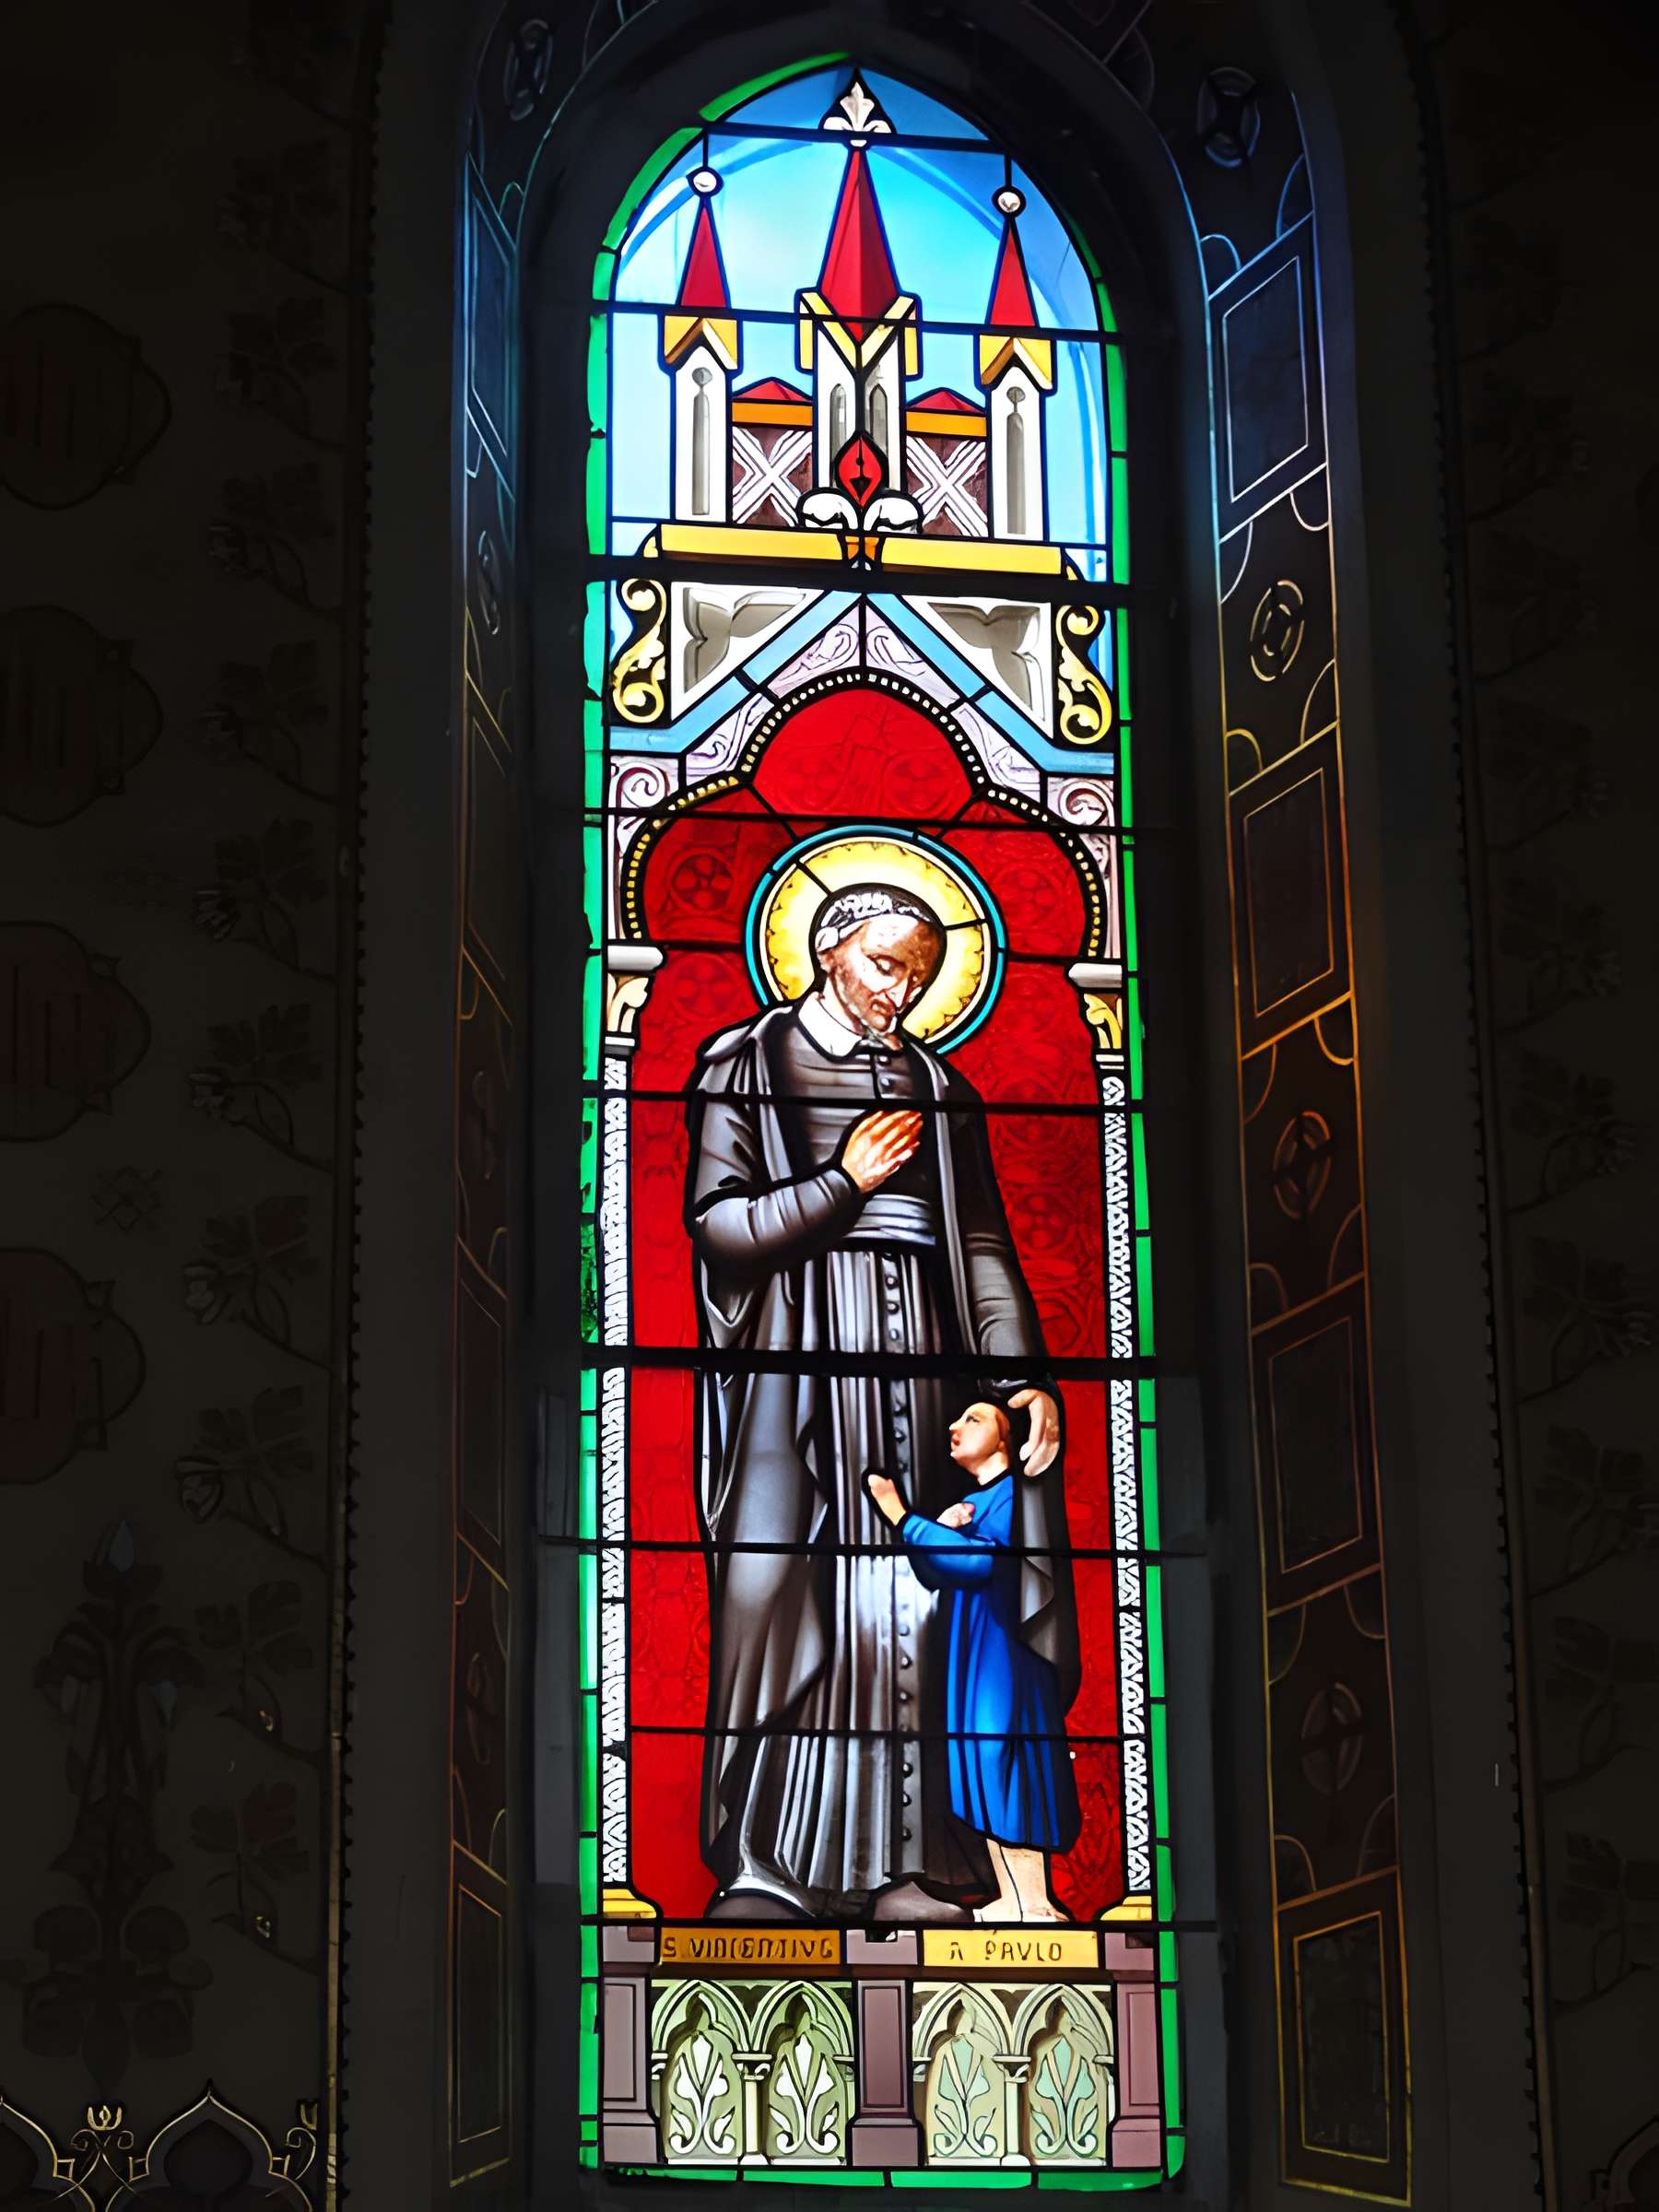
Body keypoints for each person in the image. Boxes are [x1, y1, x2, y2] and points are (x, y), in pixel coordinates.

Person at [685, 883, 1077, 1923]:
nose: (900, 992)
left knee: (917, 1608)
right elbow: (720, 1227)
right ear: (825, 951)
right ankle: (767, 1866)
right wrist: (841, 1186)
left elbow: (983, 1246)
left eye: (918, 973)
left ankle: (905, 1866)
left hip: (926, 1368)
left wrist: (1017, 1376)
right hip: (799, 1375)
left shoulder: (941, 1087)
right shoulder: (745, 1062)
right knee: (794, 1594)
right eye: (884, 966)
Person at [867, 1402, 1080, 1924]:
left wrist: (904, 1518)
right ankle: (1011, 1898)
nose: (953, 1426)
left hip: (1008, 1654)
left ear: (1006, 1439)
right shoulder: (977, 1501)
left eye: (974, 1419)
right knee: (980, 1768)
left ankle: (1036, 1903)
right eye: (956, 1418)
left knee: (1003, 1761)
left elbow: (980, 1561)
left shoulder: (1017, 1496)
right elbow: (944, 1571)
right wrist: (944, 1528)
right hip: (976, 1652)